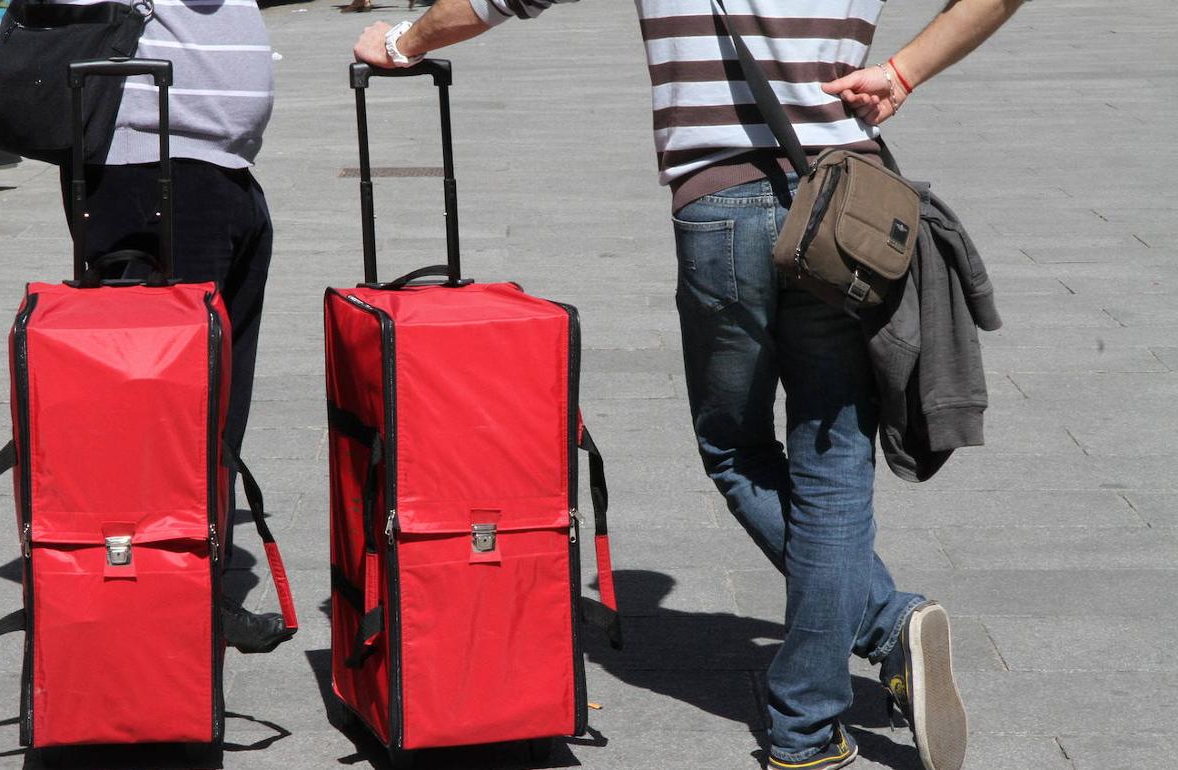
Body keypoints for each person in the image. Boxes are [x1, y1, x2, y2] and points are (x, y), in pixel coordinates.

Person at [355, 2, 1026, 769]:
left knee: (734, 448)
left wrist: (403, 39)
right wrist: (904, 71)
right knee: (834, 456)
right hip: (849, 208)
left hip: (719, 205)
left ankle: (882, 621)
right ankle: (806, 726)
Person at [55, 0, 275, 550]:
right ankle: (159, 585)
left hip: (218, 168)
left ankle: (193, 586)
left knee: (216, 393)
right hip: (149, 163)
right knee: (168, 403)